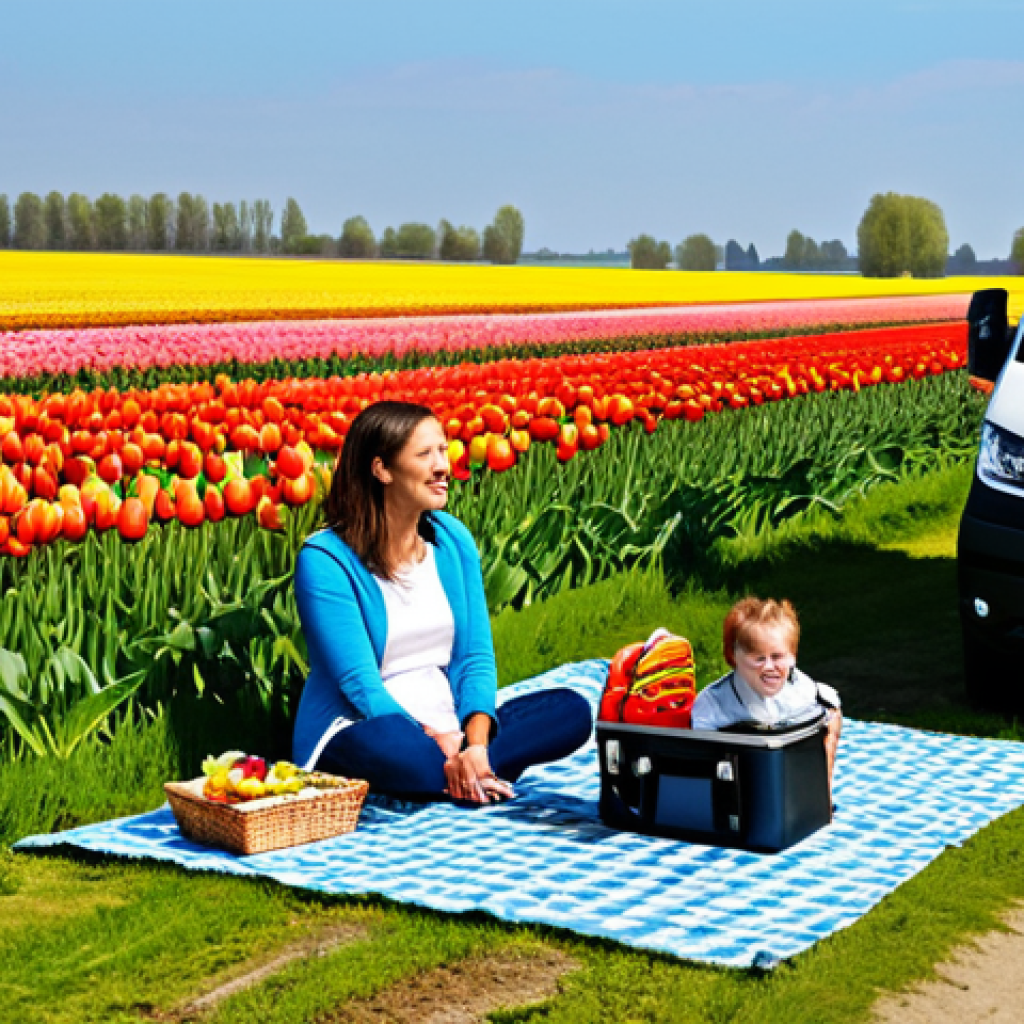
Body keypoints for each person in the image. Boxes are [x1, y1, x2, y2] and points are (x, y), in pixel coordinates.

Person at [292, 400, 593, 804]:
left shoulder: (452, 540)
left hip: (448, 722)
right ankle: (464, 771)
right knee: (408, 755)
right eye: (424, 454)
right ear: (381, 469)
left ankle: (474, 767)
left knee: (571, 709)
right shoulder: (326, 559)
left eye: (442, 449)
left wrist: (475, 743)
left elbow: (474, 658)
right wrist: (444, 743)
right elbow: (361, 687)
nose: (443, 466)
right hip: (366, 726)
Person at [691, 597, 842, 788]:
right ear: (733, 656)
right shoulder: (713, 705)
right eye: (759, 658)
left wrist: (824, 780)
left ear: (793, 657)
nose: (769, 667)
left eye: (777, 656)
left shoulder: (802, 690)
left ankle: (822, 791)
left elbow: (832, 709)